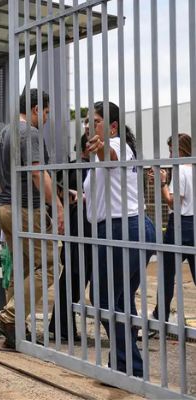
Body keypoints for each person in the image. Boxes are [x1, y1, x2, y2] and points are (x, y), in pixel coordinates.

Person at [84, 101, 156, 377]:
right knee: (121, 300)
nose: (90, 126)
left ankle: (131, 366)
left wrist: (101, 145)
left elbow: (111, 155)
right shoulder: (100, 157)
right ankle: (122, 365)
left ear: (113, 127)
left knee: (103, 299)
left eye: (97, 121)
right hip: (128, 227)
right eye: (88, 121)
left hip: (121, 229)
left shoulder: (117, 145)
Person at [0, 89, 64, 349]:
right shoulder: (29, 133)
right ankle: (9, 316)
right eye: (45, 112)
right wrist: (56, 203)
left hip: (5, 208)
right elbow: (35, 172)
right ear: (35, 109)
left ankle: (15, 329)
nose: (45, 118)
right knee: (51, 265)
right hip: (25, 210)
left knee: (21, 269)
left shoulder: (3, 134)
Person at [48, 118, 92, 342]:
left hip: (73, 233)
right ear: (87, 147)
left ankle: (60, 326)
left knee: (71, 283)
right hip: (84, 234)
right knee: (76, 283)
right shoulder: (85, 171)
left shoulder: (70, 170)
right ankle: (62, 327)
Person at [149, 133, 195, 326]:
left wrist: (162, 184)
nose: (169, 154)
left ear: (180, 149)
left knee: (167, 272)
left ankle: (161, 315)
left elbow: (173, 202)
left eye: (171, 149)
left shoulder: (181, 170)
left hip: (179, 224)